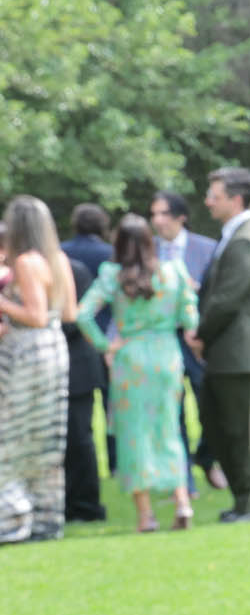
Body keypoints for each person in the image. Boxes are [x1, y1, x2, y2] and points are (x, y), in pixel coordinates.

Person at [74, 215, 201, 532]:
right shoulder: (173, 271)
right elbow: (190, 317)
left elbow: (83, 314)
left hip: (130, 357)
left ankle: (146, 515)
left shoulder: (113, 276)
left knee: (134, 434)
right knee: (169, 429)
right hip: (166, 356)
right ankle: (182, 501)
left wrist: (105, 344)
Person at [193, 166, 250, 522]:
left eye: (214, 196)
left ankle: (248, 505)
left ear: (236, 199)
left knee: (238, 432)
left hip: (238, 351)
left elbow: (227, 299)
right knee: (220, 426)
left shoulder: (244, 239)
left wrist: (200, 335)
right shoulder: (238, 234)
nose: (207, 202)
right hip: (228, 350)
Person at [0, 195, 80, 543]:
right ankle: (45, 517)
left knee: (13, 434)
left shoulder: (26, 262)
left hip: (27, 351)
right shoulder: (57, 259)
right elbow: (69, 313)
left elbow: (34, 315)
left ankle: (12, 519)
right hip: (54, 348)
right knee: (45, 438)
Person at [151, 190, 220, 491]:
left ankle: (206, 457)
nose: (157, 220)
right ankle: (184, 480)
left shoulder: (207, 248)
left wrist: (195, 289)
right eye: (153, 214)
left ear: (181, 217)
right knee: (171, 412)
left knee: (212, 406)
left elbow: (219, 292)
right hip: (162, 338)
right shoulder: (147, 250)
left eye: (164, 213)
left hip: (198, 338)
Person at [61, 203, 119, 502]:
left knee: (79, 418)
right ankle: (115, 462)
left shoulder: (61, 254)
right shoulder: (111, 254)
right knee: (112, 405)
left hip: (76, 341)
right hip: (107, 336)